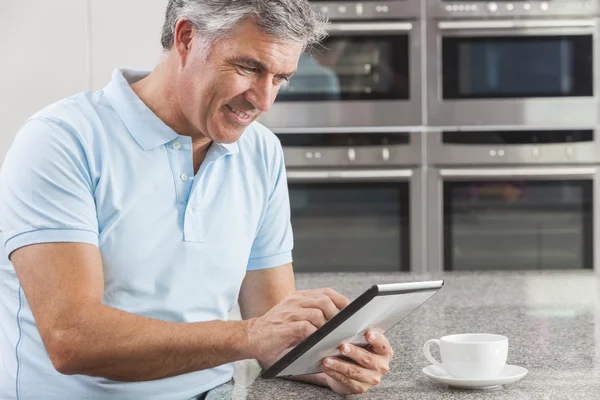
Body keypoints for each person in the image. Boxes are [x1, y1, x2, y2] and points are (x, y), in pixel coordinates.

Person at [0, 1, 394, 399]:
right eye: (249, 68)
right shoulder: (62, 141)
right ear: (187, 38)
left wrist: (332, 363)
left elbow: (271, 330)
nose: (264, 100)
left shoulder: (261, 151)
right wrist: (251, 335)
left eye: (280, 78)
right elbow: (72, 338)